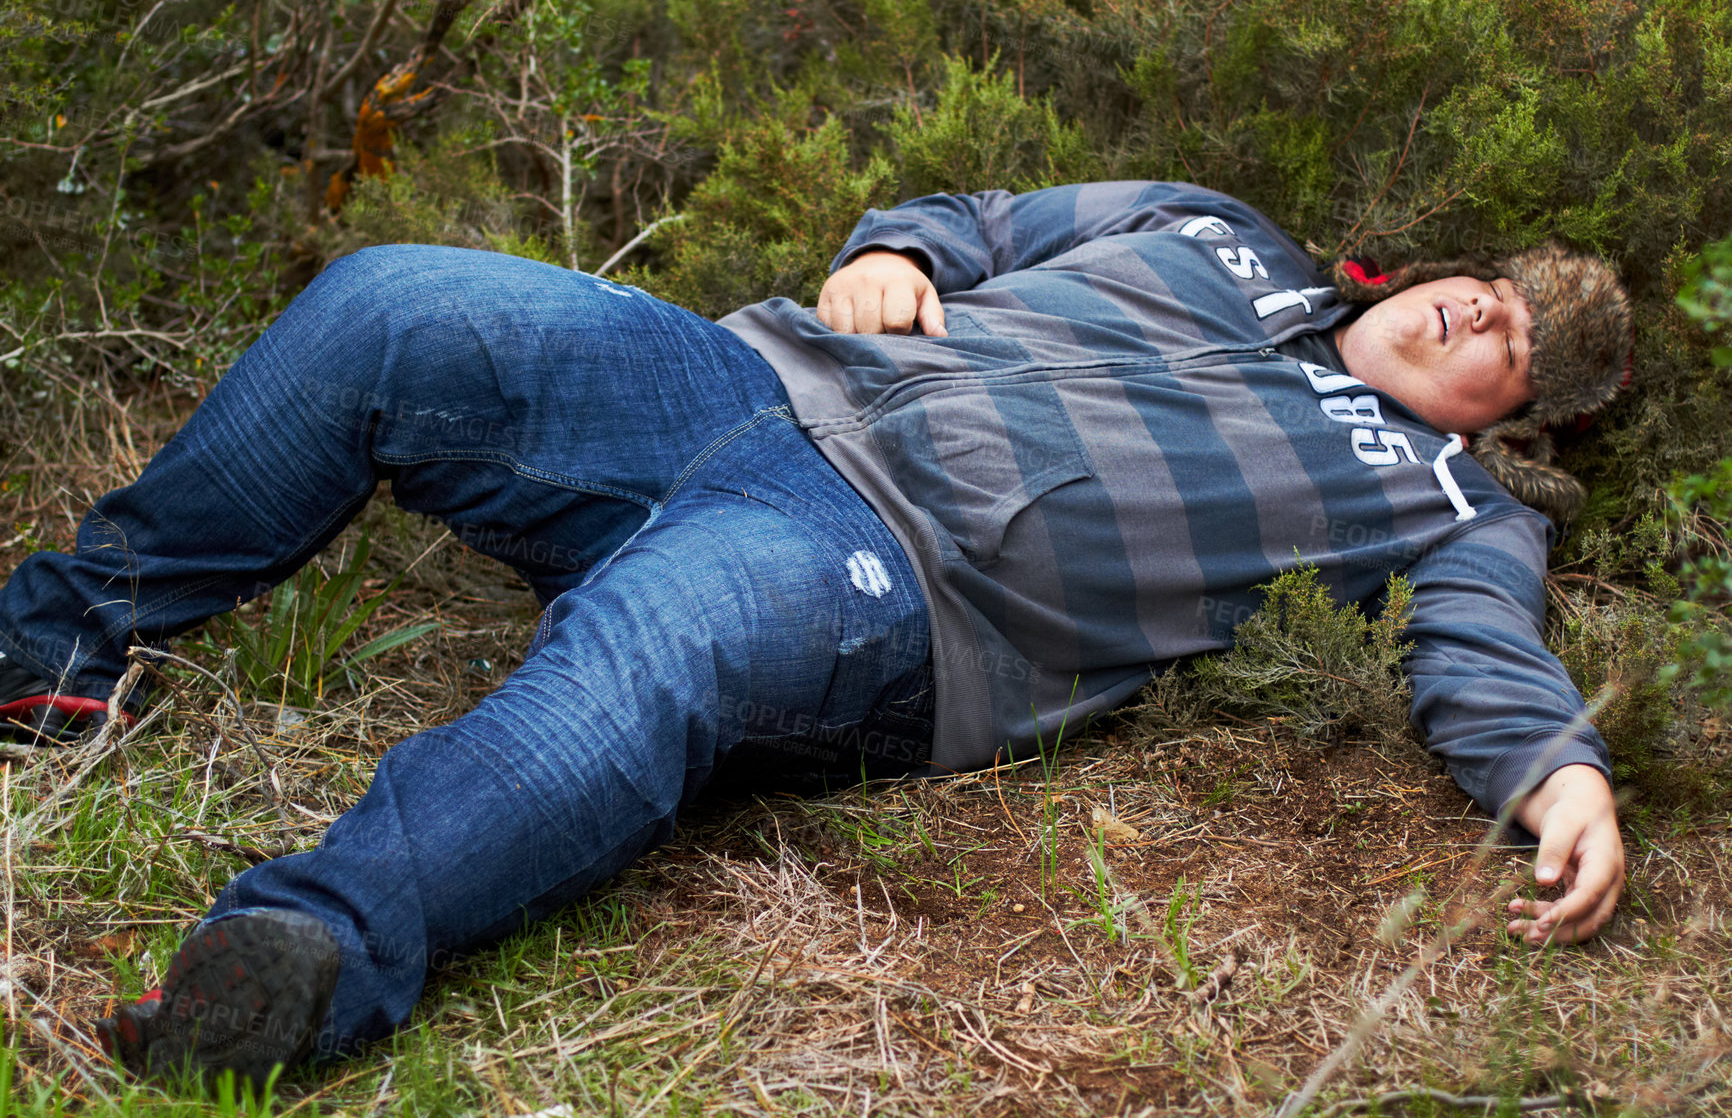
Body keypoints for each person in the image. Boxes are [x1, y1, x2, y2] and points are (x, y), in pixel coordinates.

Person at [0, 181, 1632, 1088]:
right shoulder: (1215, 233)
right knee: (393, 304)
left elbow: (1481, 646)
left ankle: (308, 956)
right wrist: (896, 249)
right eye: (1493, 288)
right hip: (752, 382)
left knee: (659, 652)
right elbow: (982, 216)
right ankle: (57, 652)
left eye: (1512, 351)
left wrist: (1558, 772)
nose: (1480, 317)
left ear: (1513, 426)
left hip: (901, 572)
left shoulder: (1442, 504)